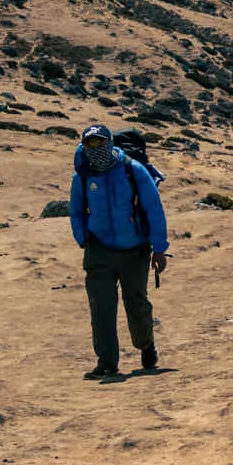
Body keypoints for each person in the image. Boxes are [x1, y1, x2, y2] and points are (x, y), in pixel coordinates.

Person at [68, 122, 168, 381]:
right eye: (90, 144)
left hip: (134, 249)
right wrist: (83, 240)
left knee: (136, 303)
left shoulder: (132, 170)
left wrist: (159, 248)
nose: (96, 148)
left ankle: (146, 346)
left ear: (109, 143)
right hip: (98, 249)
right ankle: (107, 362)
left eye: (100, 142)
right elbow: (76, 211)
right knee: (101, 307)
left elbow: (153, 209)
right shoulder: (82, 176)